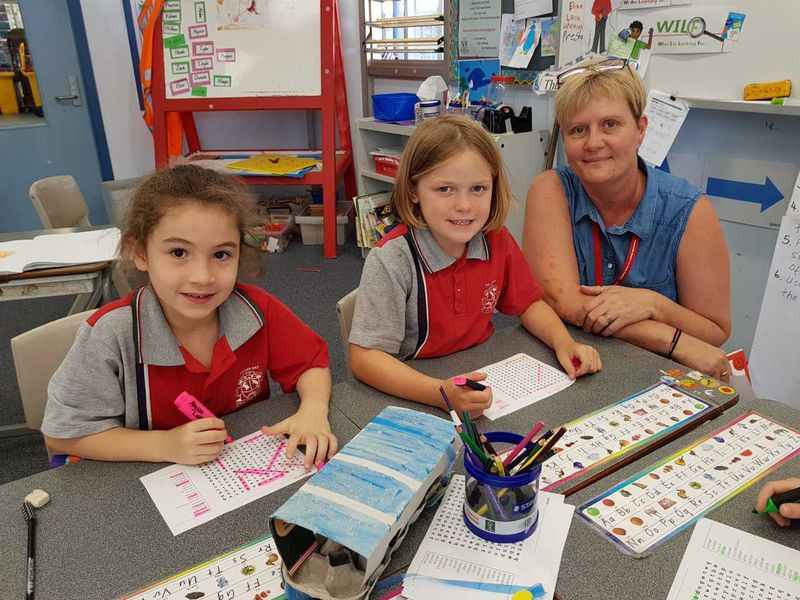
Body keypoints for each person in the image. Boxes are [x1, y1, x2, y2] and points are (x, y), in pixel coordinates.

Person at [41, 165, 337, 467]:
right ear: (140, 253)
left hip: (237, 474)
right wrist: (164, 444)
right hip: (143, 486)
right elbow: (63, 435)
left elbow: (310, 364)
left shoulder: (257, 309)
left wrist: (313, 408)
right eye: (179, 253)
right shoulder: (111, 334)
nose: (202, 277)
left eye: (221, 255)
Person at [349, 116, 601, 418]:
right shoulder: (392, 260)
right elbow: (365, 358)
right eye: (444, 189)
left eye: (478, 189)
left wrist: (564, 342)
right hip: (414, 389)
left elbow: (529, 303)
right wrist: (440, 394)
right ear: (414, 190)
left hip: (482, 375)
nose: (464, 205)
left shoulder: (498, 240)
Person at [523, 58, 732, 381]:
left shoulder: (690, 210)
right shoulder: (551, 190)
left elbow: (714, 332)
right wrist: (670, 338)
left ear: (641, 130)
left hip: (659, 377)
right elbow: (562, 300)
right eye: (578, 130)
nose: (593, 143)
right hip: (573, 367)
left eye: (610, 124)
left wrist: (654, 304)